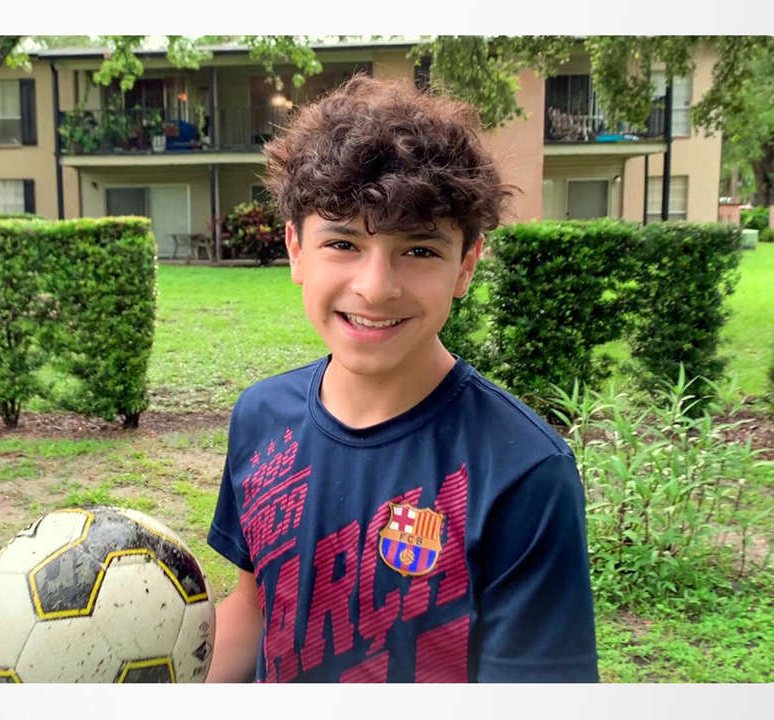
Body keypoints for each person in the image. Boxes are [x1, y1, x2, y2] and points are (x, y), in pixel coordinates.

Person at [204, 75, 598, 683]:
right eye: (343, 243)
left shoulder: (523, 470)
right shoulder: (261, 416)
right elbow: (254, 609)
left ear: (466, 265)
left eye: (419, 251)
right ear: (296, 250)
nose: (376, 287)